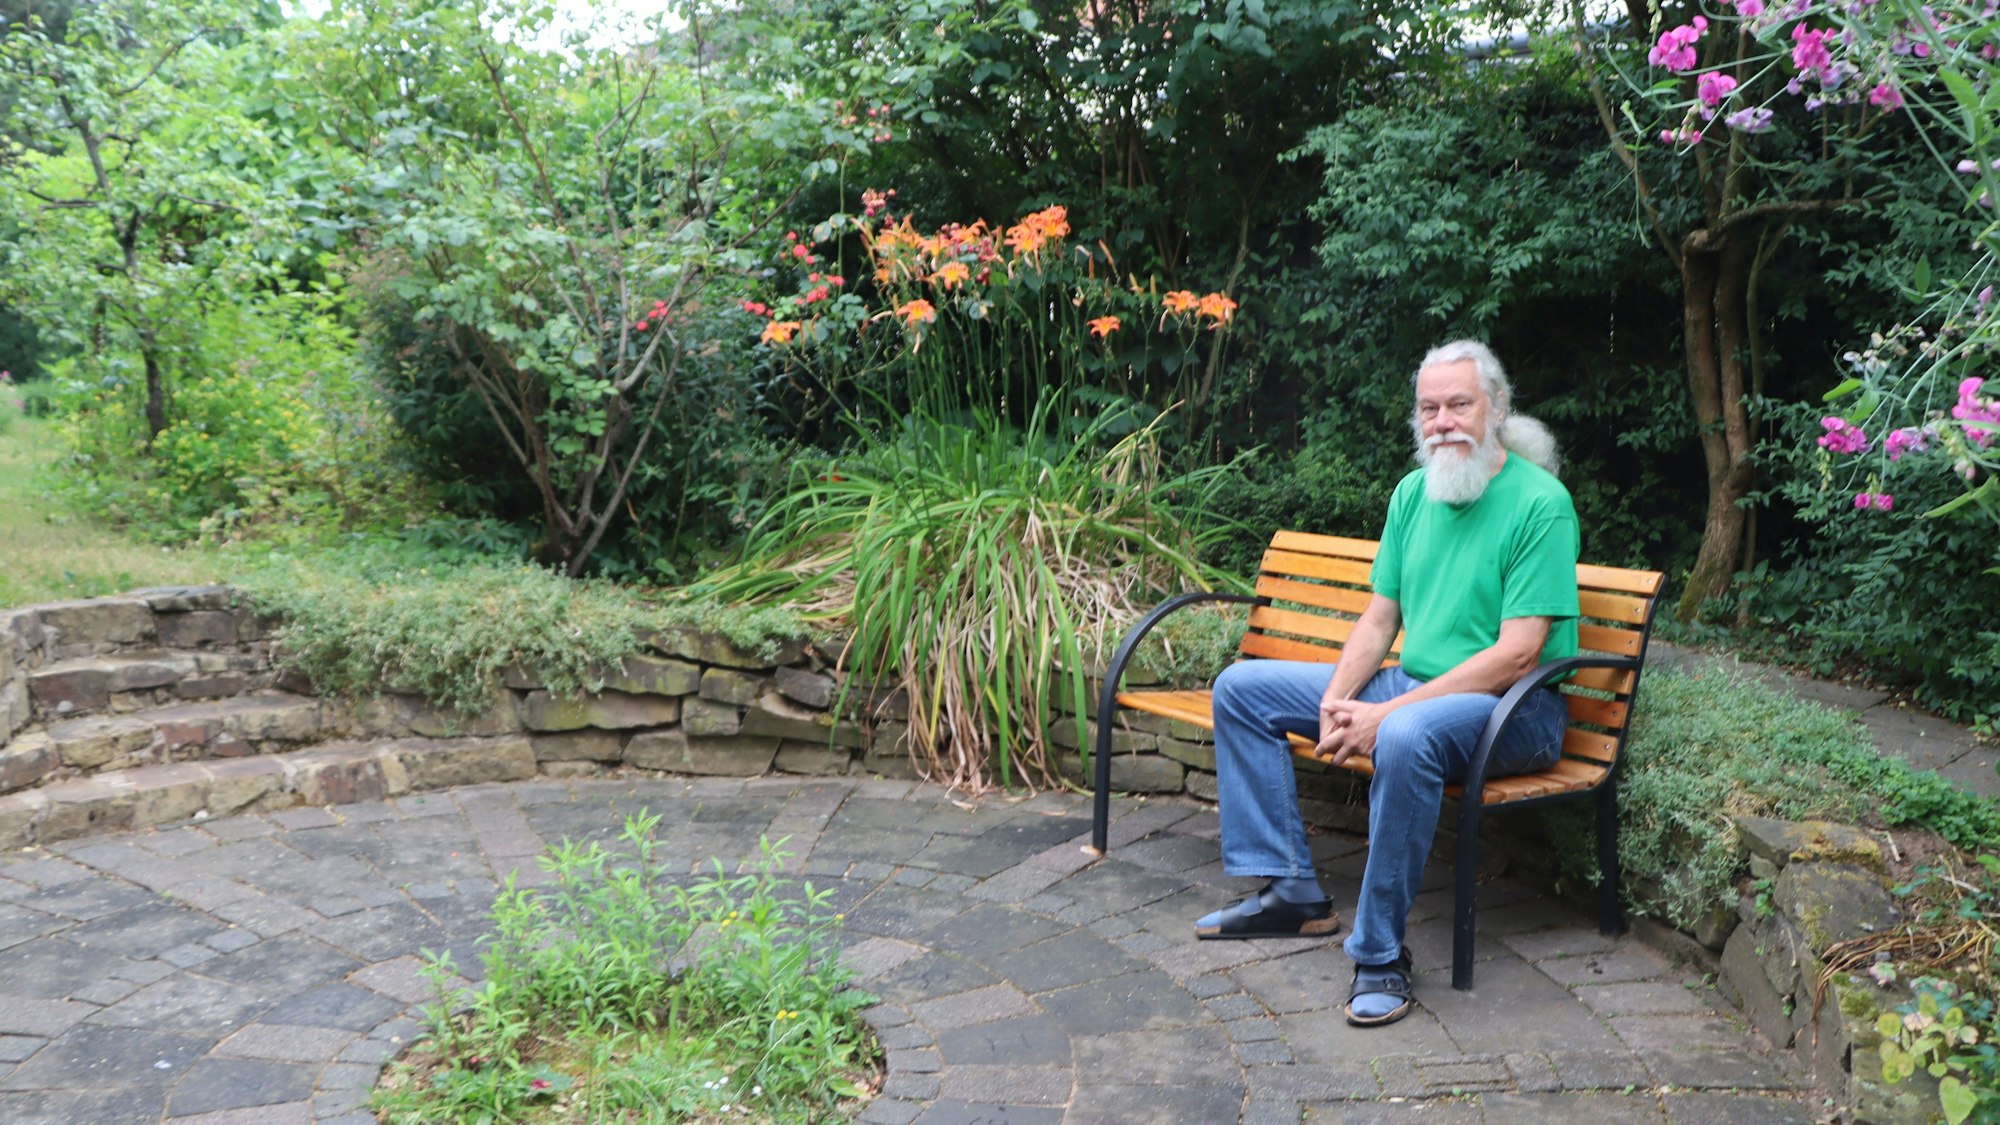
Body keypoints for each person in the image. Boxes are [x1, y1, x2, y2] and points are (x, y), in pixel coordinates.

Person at [1192, 340, 1579, 1027]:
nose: (1443, 421)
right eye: (1430, 408)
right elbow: (1378, 620)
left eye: (1459, 404)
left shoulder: (1539, 504)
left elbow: (1518, 656)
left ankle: (1378, 955)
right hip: (1422, 687)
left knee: (1402, 733)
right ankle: (1291, 890)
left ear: (1496, 408)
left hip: (1515, 710)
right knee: (1242, 687)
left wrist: (1387, 710)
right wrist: (1338, 701)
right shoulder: (1413, 493)